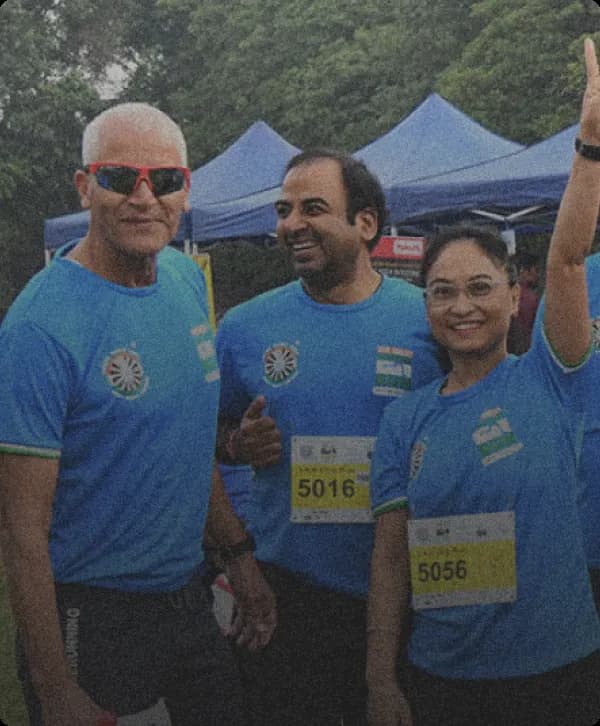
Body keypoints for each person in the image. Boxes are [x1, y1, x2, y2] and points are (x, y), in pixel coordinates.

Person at [0, 102, 276, 726]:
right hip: (93, 615)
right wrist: (55, 689)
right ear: (84, 188)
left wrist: (239, 555)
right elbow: (19, 532)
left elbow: (186, 444)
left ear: (186, 189)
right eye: (121, 178)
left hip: (188, 596)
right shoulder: (41, 328)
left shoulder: (182, 279)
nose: (144, 198)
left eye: (166, 180)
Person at [367, 39, 600, 726]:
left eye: (478, 287)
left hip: (560, 677)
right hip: (444, 680)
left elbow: (566, 259)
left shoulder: (553, 378)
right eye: (442, 292)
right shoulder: (405, 421)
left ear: (510, 294)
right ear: (426, 305)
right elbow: (388, 563)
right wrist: (381, 680)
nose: (461, 306)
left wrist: (589, 147)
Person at [216, 149, 442, 725]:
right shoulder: (244, 328)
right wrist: (239, 445)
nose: (293, 224)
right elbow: (206, 443)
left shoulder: (430, 320)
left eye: (313, 208)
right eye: (284, 210)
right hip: (291, 598)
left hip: (414, 591)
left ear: (365, 223)